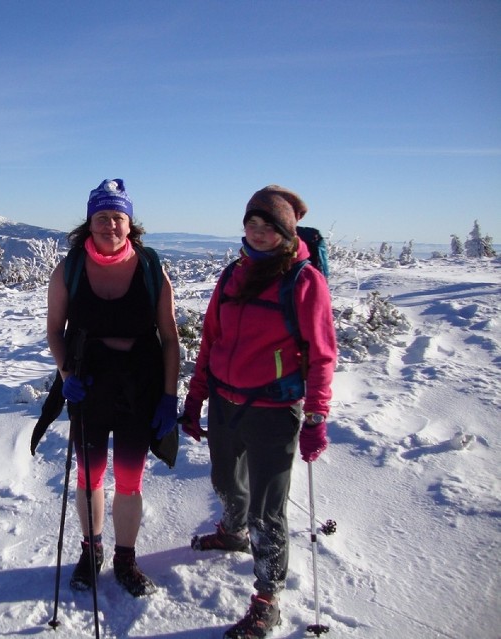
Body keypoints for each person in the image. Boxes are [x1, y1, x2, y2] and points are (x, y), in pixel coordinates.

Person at [180, 185, 336, 638]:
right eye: (252, 224)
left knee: (268, 511)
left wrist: (316, 418)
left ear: (286, 232)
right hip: (226, 403)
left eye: (269, 226)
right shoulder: (233, 274)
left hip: (274, 410)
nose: (259, 232)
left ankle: (268, 599)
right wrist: (195, 400)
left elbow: (323, 354)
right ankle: (232, 532)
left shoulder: (304, 280)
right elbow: (211, 340)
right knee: (226, 481)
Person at [46, 178, 180, 597]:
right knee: (89, 476)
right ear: (89, 222)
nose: (110, 225)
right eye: (101, 217)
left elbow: (171, 337)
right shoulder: (68, 269)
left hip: (139, 385)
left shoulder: (150, 267)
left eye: (117, 217)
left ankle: (125, 557)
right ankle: (92, 551)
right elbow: (54, 330)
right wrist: (67, 377)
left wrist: (169, 395)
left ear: (129, 223)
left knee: (128, 478)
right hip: (89, 382)